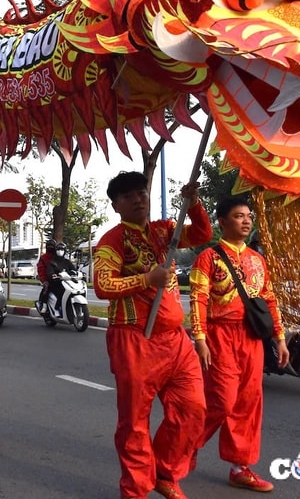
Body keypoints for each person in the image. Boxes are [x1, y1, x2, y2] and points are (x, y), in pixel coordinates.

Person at [93, 171, 213, 499]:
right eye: (128, 196)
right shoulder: (112, 241)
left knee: (193, 410)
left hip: (175, 340)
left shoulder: (165, 231)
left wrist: (194, 202)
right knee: (134, 423)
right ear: (116, 205)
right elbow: (103, 286)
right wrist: (147, 279)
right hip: (134, 339)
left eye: (141, 193)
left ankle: (166, 473)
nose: (138, 200)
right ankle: (135, 490)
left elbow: (202, 233)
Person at [188, 196, 289, 493]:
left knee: (248, 403)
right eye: (238, 216)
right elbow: (198, 299)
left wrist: (280, 339)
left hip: (252, 340)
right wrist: (200, 338)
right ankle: (184, 444)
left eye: (248, 216)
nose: (246, 221)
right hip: (220, 337)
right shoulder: (208, 258)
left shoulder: (258, 260)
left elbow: (269, 300)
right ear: (222, 221)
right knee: (222, 400)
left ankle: (240, 467)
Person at [43, 242, 77, 316]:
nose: (60, 251)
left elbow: (74, 270)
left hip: (68, 282)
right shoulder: (52, 262)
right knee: (61, 291)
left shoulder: (67, 262)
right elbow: (49, 272)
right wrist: (53, 275)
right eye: (58, 249)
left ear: (65, 251)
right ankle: (57, 308)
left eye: (62, 249)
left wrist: (78, 274)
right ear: (55, 251)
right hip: (56, 282)